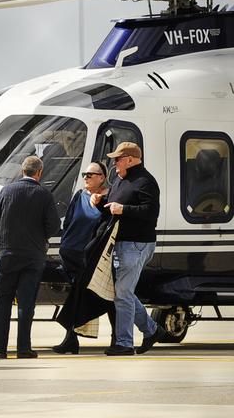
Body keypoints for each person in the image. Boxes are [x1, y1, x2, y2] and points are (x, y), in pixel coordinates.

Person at [0, 156, 60, 359]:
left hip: (7, 253)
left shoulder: (7, 191)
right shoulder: (44, 194)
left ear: (22, 171)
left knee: (2, 301)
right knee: (26, 304)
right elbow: (54, 225)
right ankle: (24, 348)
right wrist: (40, 236)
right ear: (39, 172)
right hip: (32, 256)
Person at [99, 142, 166, 356]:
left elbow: (150, 212)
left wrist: (123, 209)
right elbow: (114, 205)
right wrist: (100, 202)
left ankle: (124, 343)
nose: (114, 163)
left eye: (117, 159)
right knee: (124, 292)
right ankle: (152, 330)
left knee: (123, 293)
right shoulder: (121, 180)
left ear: (130, 159)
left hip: (136, 244)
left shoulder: (145, 181)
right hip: (122, 244)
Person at [53, 161, 111, 354]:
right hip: (71, 254)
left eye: (90, 174)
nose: (85, 177)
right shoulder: (79, 196)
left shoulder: (108, 199)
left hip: (91, 257)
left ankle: (118, 338)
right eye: (85, 174)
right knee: (76, 294)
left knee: (103, 297)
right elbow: (69, 221)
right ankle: (71, 339)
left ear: (102, 178)